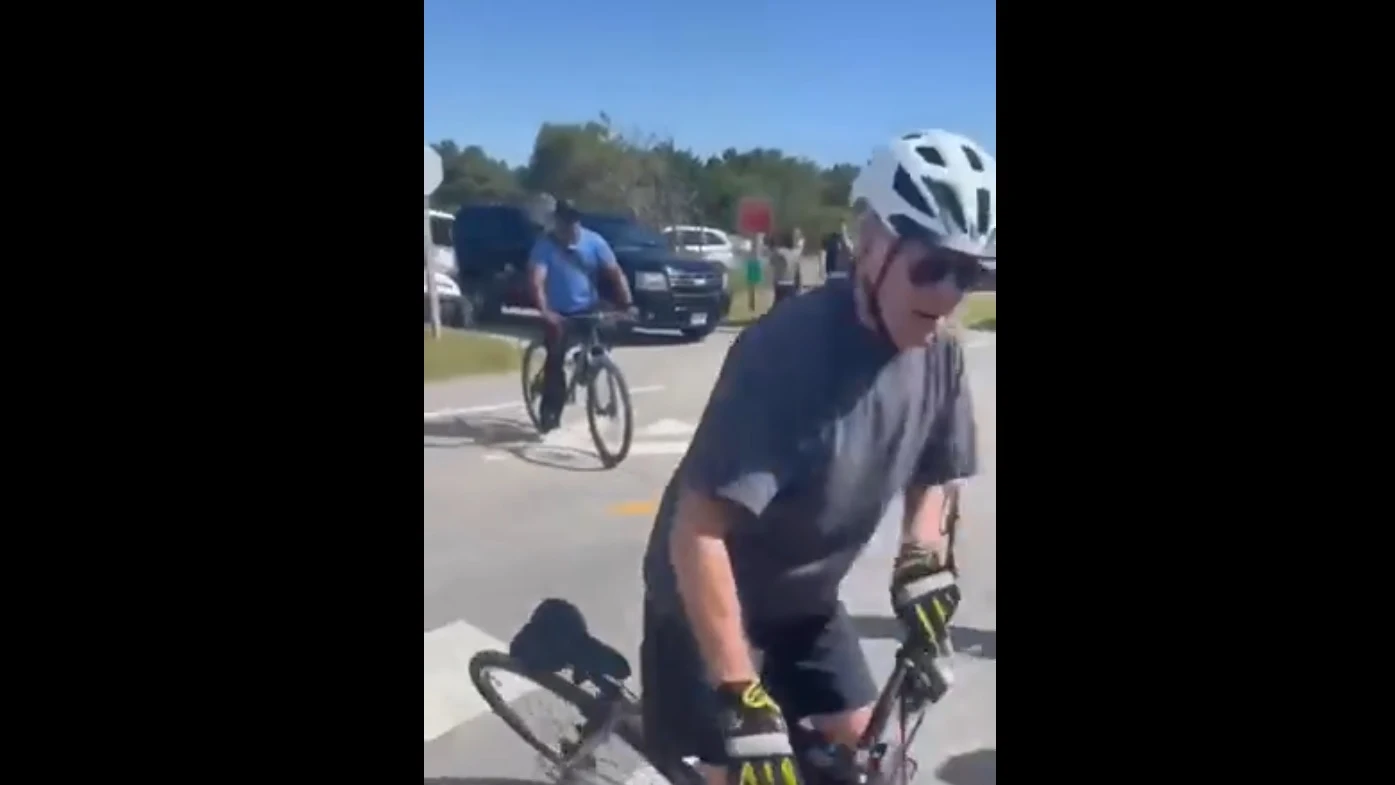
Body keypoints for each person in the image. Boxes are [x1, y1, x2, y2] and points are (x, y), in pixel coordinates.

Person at [638, 129, 996, 785]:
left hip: (804, 600)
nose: (947, 293)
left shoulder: (940, 351)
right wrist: (743, 700)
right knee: (743, 775)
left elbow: (936, 470)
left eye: (969, 272)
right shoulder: (783, 355)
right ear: (869, 245)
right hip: (705, 601)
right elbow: (697, 533)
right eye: (930, 265)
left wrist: (919, 556)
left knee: (870, 758)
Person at [527, 198, 635, 433]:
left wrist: (627, 303)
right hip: (559, 312)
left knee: (610, 328)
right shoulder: (545, 245)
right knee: (555, 362)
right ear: (557, 222)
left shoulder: (594, 241)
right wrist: (545, 311)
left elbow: (615, 273)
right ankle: (550, 412)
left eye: (574, 221)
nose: (570, 228)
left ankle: (591, 364)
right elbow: (537, 281)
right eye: (565, 222)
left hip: (588, 306)